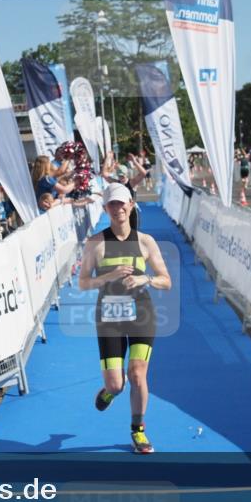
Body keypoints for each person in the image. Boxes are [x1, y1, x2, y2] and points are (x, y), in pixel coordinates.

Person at [78, 182, 171, 454]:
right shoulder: (95, 243)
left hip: (141, 313)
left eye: (122, 203)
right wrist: (109, 275)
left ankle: (138, 431)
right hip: (109, 317)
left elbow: (166, 281)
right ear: (106, 208)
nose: (118, 208)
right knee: (117, 384)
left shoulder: (146, 242)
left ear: (131, 205)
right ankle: (109, 391)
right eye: (112, 204)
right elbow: (83, 283)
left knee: (138, 373)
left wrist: (147, 278)